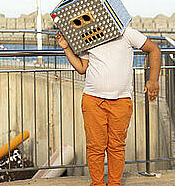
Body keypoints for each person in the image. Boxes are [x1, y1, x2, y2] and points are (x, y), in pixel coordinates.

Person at [56, 27, 161, 186]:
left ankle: (114, 184)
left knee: (116, 147)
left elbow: (154, 50)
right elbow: (82, 68)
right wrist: (66, 48)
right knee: (95, 147)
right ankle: (97, 184)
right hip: (92, 100)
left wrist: (153, 80)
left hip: (121, 101)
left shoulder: (127, 32)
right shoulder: (88, 34)